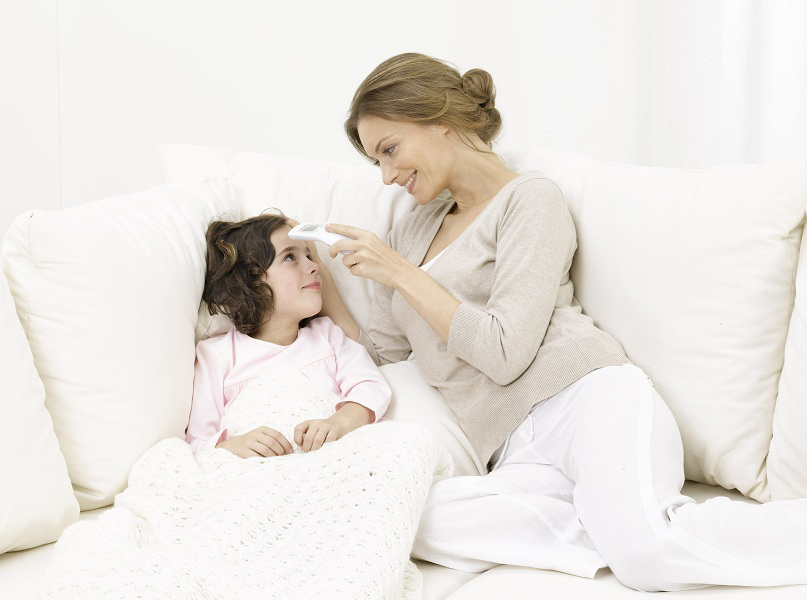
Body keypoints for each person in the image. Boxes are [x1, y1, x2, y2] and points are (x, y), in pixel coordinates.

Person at [308, 52, 807, 592]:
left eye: (390, 150)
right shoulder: (408, 234)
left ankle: (632, 534)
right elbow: (387, 363)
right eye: (376, 163)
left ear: (439, 120)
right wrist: (326, 284)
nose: (387, 176)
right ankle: (610, 526)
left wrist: (401, 274)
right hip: (510, 451)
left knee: (647, 555)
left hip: (586, 399)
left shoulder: (529, 200)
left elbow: (504, 352)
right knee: (396, 515)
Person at [185, 213, 391, 459]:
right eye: (290, 257)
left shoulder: (328, 336)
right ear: (251, 280)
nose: (314, 266)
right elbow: (199, 443)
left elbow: (371, 387)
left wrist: (338, 423)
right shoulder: (216, 355)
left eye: (309, 256)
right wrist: (235, 447)